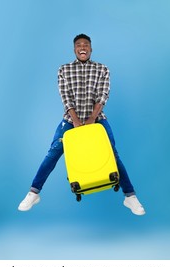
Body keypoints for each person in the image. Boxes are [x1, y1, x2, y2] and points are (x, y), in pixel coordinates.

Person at [18, 34, 145, 215]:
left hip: (97, 119)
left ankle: (130, 196)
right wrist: (76, 121)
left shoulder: (102, 69)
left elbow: (103, 94)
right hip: (71, 120)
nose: (82, 47)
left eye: (86, 44)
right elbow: (65, 96)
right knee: (54, 152)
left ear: (91, 49)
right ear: (74, 49)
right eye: (79, 45)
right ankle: (33, 192)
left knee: (112, 153)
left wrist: (93, 118)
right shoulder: (64, 69)